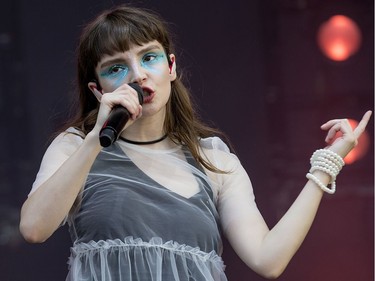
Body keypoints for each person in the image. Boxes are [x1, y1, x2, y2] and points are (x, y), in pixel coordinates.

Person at [19, 4, 372, 281]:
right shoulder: (75, 147)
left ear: (171, 67)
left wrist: (327, 164)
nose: (137, 74)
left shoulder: (213, 159)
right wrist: (96, 139)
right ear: (98, 90)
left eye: (149, 57)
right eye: (116, 67)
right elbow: (34, 229)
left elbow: (268, 260)